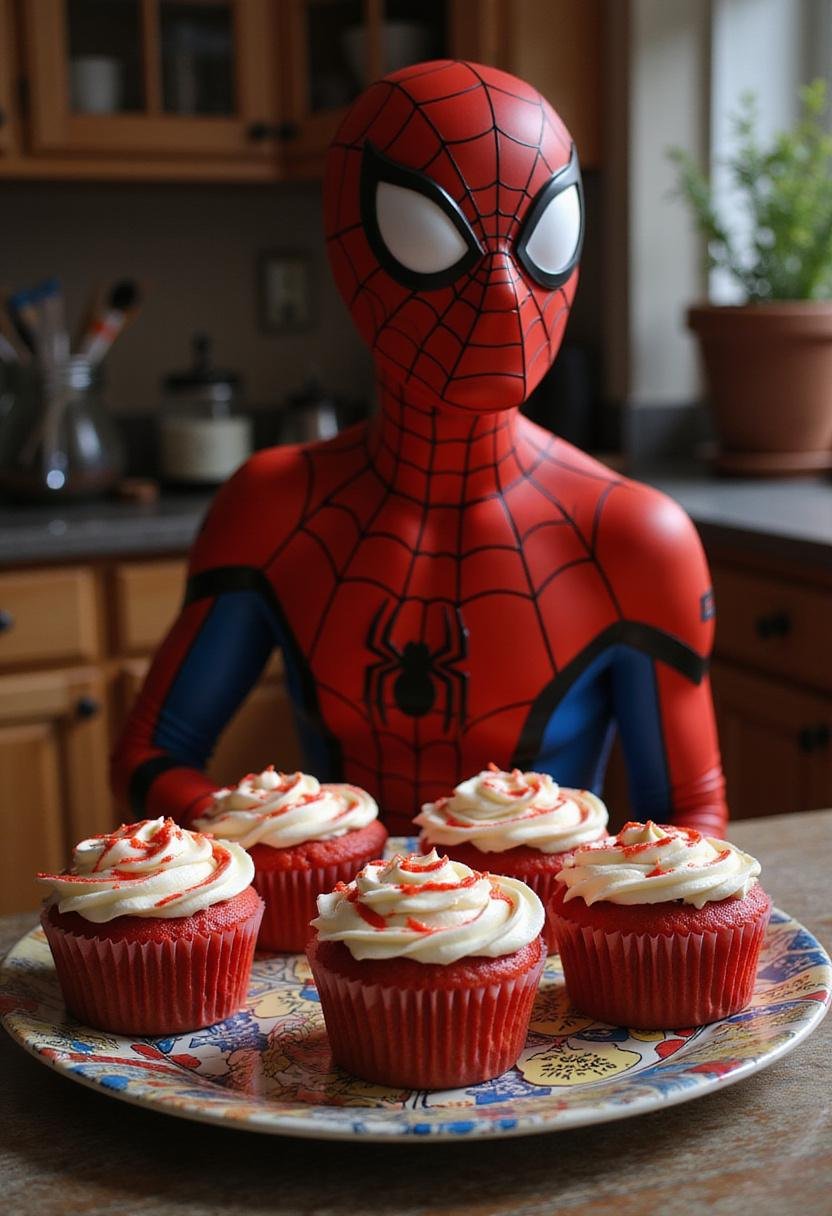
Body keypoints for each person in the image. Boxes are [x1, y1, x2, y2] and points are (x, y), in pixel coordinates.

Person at [112, 60, 727, 838]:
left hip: (544, 946)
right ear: (348, 249)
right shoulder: (273, 508)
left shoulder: (635, 538)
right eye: (430, 235)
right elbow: (149, 752)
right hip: (336, 942)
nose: (503, 293)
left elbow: (693, 818)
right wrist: (271, 839)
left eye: (544, 236)